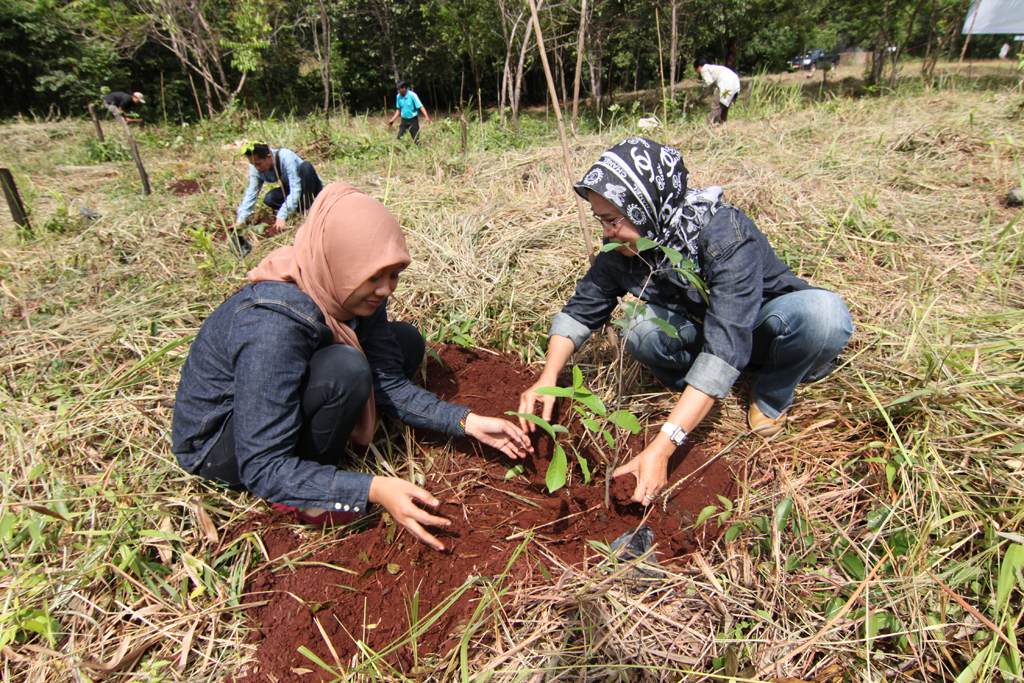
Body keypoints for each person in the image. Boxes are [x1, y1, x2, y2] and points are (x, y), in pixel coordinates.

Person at [172, 182, 533, 551]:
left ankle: (332, 427)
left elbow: (388, 382)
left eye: (393, 274)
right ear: (338, 260)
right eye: (374, 276)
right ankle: (305, 494)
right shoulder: (273, 323)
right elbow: (261, 464)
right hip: (223, 449)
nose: (386, 289)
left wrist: (467, 422)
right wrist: (373, 488)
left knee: (405, 341)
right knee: (347, 369)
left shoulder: (343, 287)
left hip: (272, 404)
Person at [518, 139, 852, 506]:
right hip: (703, 333)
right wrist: (548, 378)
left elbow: (726, 345)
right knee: (638, 326)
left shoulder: (724, 236)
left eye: (613, 220)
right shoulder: (625, 247)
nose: (607, 233)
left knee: (824, 315)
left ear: (646, 208)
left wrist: (663, 447)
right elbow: (582, 309)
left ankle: (770, 391)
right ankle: (698, 390)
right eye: (601, 220)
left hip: (761, 328)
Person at [234, 143, 324, 235]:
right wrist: (241, 220)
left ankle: (308, 209)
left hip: (309, 188)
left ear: (269, 157)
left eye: (258, 164)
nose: (257, 168)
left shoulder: (286, 157)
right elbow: (252, 193)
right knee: (270, 198)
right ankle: (297, 209)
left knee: (306, 167)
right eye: (253, 164)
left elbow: (295, 188)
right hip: (292, 190)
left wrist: (282, 215)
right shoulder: (255, 168)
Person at [694, 60, 740, 125]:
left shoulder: (704, 69)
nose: (697, 72)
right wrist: (702, 96)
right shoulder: (712, 68)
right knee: (724, 106)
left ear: (699, 67)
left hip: (726, 82)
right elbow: (710, 87)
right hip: (734, 82)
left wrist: (701, 90)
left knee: (716, 105)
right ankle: (722, 123)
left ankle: (710, 125)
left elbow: (708, 82)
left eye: (696, 70)